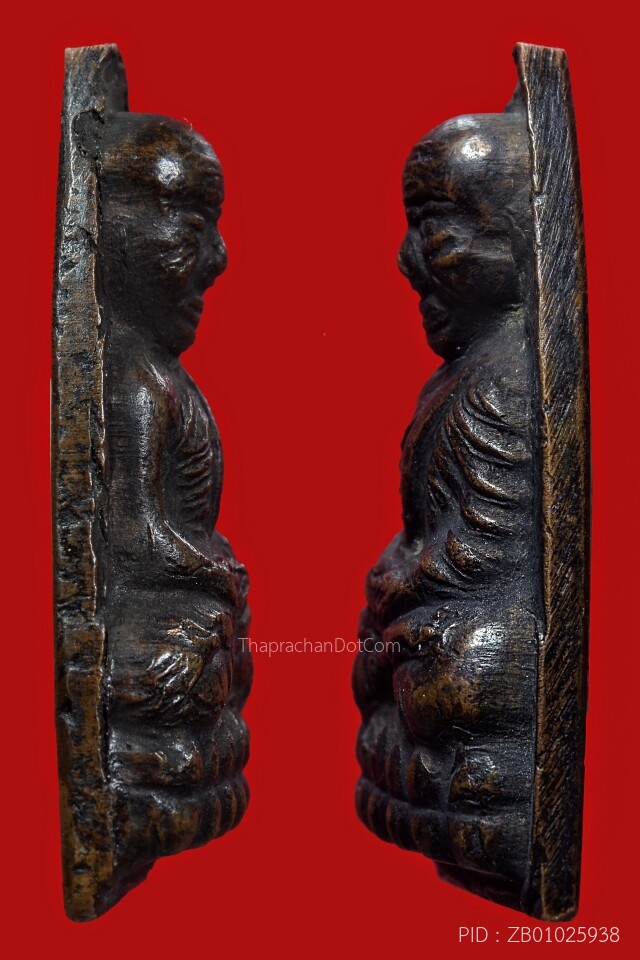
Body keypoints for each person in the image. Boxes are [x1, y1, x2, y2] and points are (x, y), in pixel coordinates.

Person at [353, 109, 541, 904]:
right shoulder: (462, 379)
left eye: (434, 225)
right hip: (429, 616)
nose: (410, 260)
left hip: (468, 630)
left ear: (521, 234)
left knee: (471, 668)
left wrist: (405, 586)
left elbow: (490, 550)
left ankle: (479, 787)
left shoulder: (508, 380)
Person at [97, 113, 252, 885]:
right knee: (183, 663)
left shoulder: (159, 378)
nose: (216, 259)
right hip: (166, 606)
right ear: (114, 233)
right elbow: (133, 532)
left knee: (220, 661)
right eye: (190, 229)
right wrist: (205, 570)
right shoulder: (134, 383)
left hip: (191, 605)